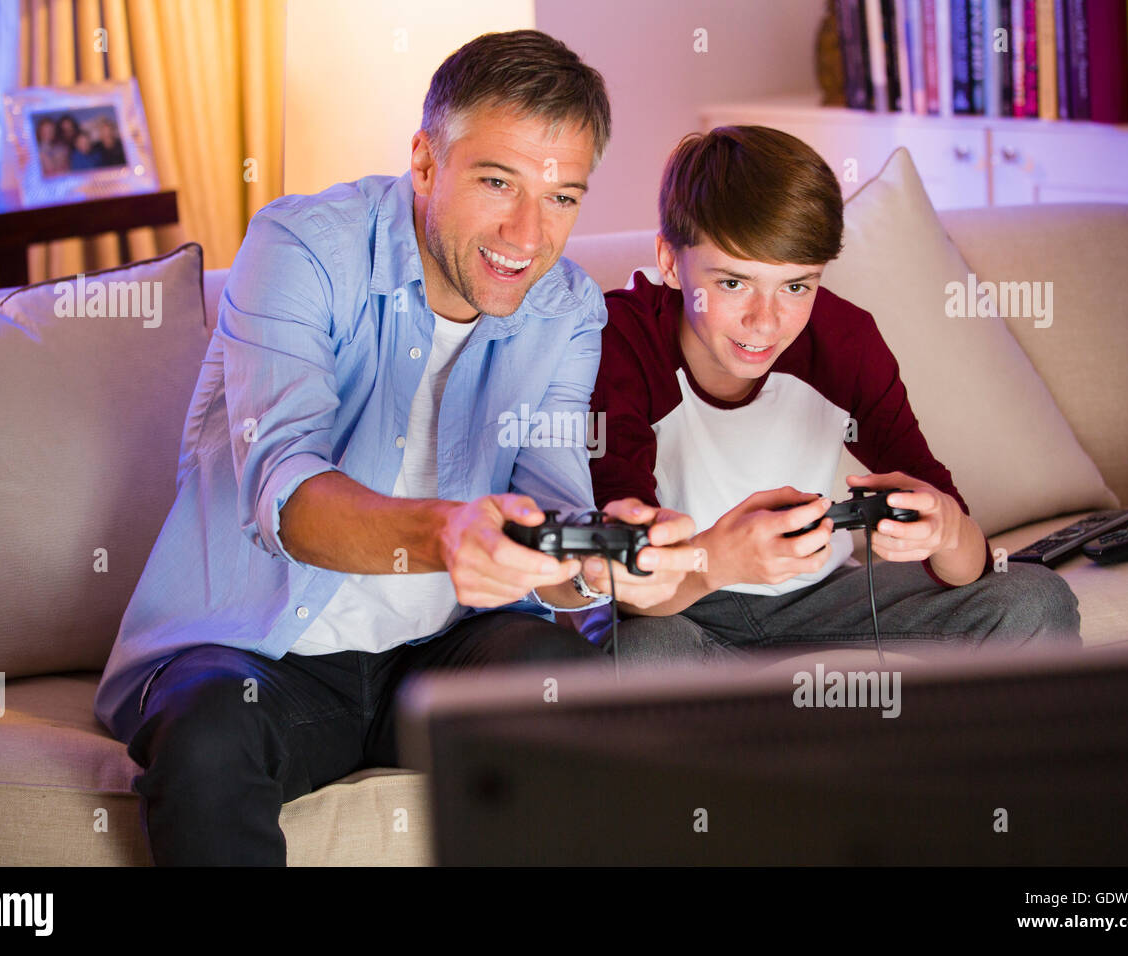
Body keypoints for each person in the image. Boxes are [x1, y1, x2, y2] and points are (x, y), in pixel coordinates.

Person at [94, 29, 697, 866]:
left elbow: (549, 515)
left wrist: (598, 557)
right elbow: (288, 494)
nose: (528, 234)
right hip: (264, 656)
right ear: (423, 163)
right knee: (208, 736)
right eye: (498, 182)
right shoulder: (298, 249)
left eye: (563, 197)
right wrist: (444, 535)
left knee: (573, 680)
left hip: (442, 657)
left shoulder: (566, 311)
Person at [588, 125, 1081, 666]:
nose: (765, 321)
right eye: (733, 283)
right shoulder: (616, 344)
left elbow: (967, 558)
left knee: (1035, 598)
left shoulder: (845, 340)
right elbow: (622, 580)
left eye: (796, 286)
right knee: (638, 656)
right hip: (680, 610)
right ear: (668, 262)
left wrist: (943, 529)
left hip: (823, 597)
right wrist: (718, 561)